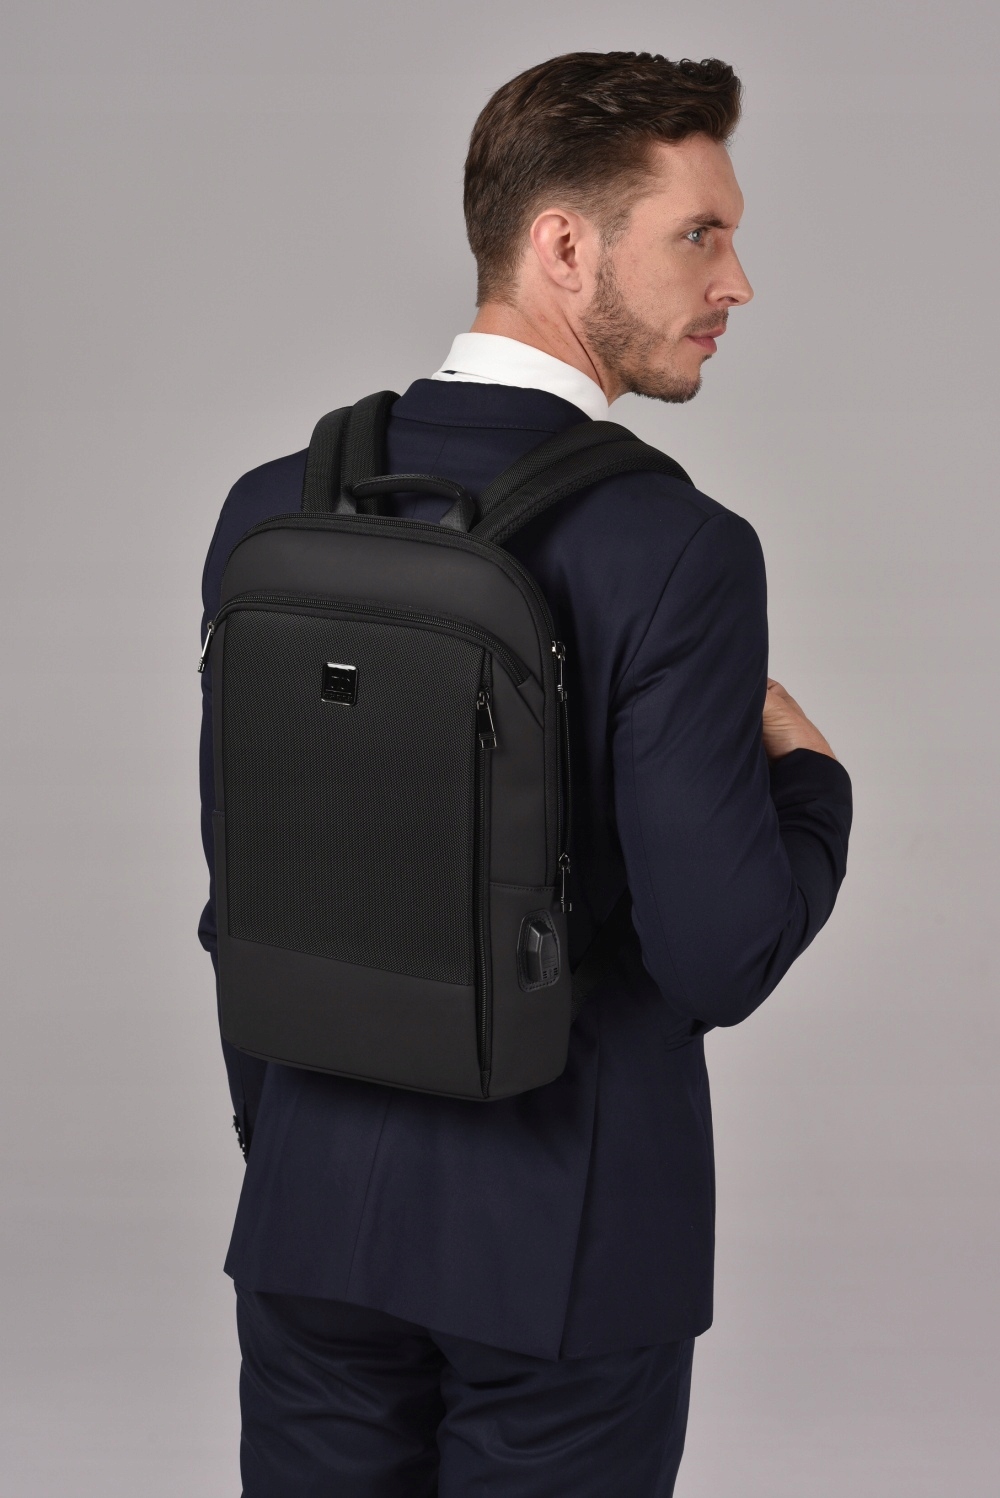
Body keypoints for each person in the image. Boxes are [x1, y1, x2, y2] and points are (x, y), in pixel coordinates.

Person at [198, 50, 852, 1497]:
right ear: (563, 244)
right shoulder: (676, 550)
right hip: (567, 1241)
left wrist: (289, 1143)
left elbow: (240, 895)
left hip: (310, 1214)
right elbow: (719, 954)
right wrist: (816, 789)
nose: (738, 282)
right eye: (700, 234)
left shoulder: (270, 509)